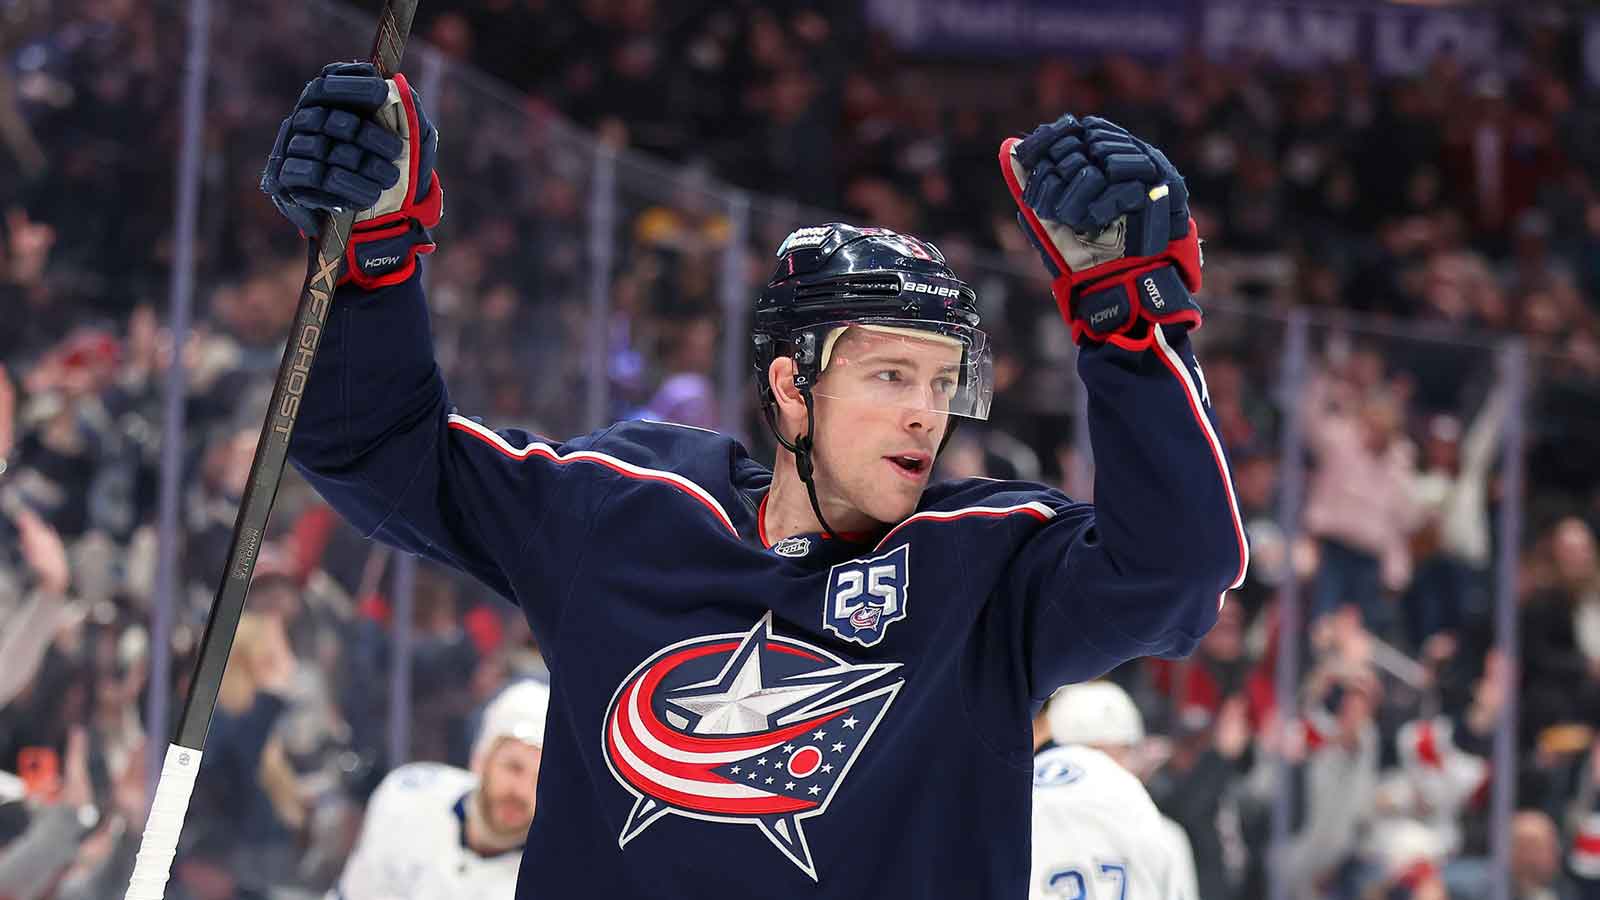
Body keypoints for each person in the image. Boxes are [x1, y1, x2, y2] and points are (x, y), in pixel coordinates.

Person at [262, 62, 1247, 898]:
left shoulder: (987, 563)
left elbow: (1174, 574)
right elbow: (368, 446)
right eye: (890, 374)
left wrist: (1132, 326)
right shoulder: (625, 507)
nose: (925, 412)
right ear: (791, 385)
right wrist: (367, 267)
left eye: (943, 383)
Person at [330, 678, 548, 899]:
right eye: (514, 767)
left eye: (541, 781)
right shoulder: (407, 798)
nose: (522, 791)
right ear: (481, 759)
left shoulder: (551, 879)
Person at [1029, 681, 1200, 900]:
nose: (1108, 765)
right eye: (1097, 752)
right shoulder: (1158, 828)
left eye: (1118, 753)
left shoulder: (1020, 807)